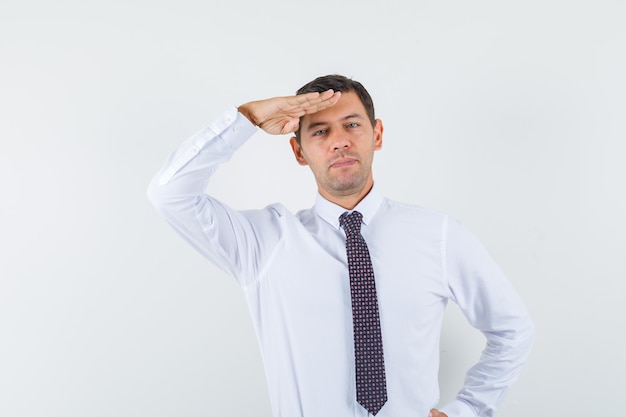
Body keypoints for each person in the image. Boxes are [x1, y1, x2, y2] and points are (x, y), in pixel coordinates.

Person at [147, 74, 534, 417]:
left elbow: (513, 329)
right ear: (299, 151)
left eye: (352, 125)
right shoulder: (263, 243)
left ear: (377, 134)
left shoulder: (439, 235)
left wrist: (466, 410)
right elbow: (170, 194)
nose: (340, 142)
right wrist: (245, 118)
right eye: (319, 132)